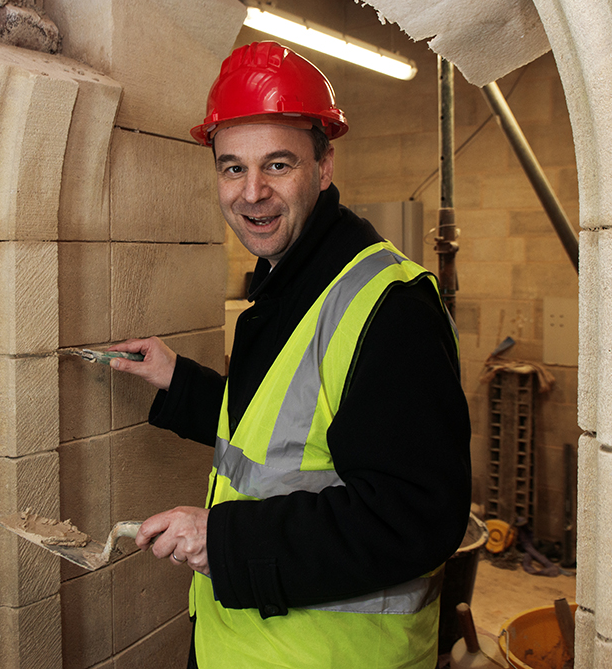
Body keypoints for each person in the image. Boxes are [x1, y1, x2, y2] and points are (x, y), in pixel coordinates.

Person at [109, 40, 470, 669]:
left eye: (278, 165)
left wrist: (221, 540)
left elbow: (416, 517)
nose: (252, 193)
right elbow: (289, 438)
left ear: (324, 166)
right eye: (231, 168)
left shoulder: (389, 305)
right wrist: (179, 384)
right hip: (244, 646)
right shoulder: (288, 284)